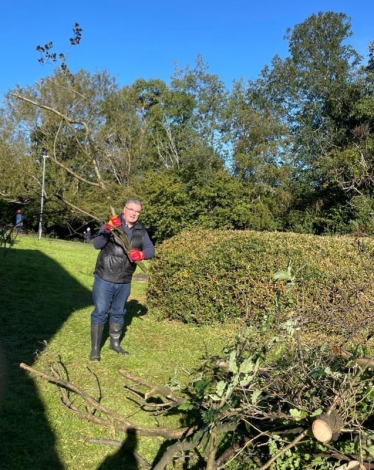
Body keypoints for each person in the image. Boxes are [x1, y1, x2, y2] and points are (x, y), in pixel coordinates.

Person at [89, 198, 155, 361]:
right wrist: (107, 228)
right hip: (105, 276)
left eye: (137, 211)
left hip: (125, 279)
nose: (134, 213)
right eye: (131, 210)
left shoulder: (141, 230)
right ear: (124, 209)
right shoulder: (114, 224)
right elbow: (97, 244)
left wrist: (141, 254)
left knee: (119, 312)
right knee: (101, 312)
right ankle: (95, 349)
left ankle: (114, 344)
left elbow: (150, 249)